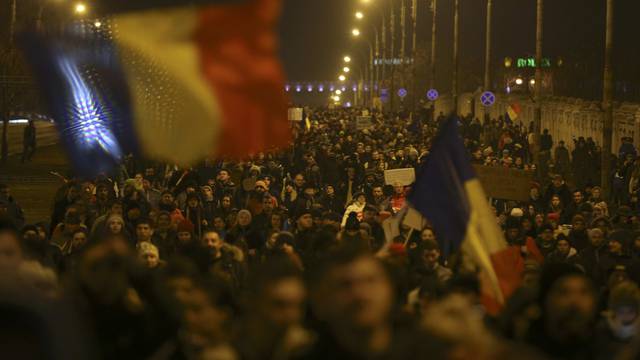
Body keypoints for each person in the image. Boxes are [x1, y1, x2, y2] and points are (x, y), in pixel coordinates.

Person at [303, 246, 420, 359]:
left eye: (370, 281)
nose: (360, 294)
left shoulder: (427, 352)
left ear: (390, 288)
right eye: (345, 285)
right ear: (323, 299)